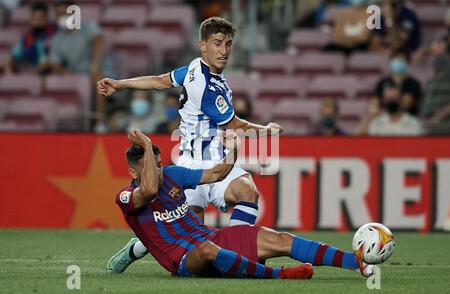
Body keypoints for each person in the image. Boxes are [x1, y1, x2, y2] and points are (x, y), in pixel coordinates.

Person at [106, 128, 376, 279]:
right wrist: (149, 142)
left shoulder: (174, 175)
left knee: (280, 239)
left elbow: (217, 174)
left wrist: (233, 148)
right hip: (185, 260)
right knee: (209, 250)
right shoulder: (127, 198)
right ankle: (279, 276)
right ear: (133, 173)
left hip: (213, 237)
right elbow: (150, 189)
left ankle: (356, 262)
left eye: (160, 163)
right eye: (152, 165)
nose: (160, 170)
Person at [97, 17, 284, 227]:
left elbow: (160, 81)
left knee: (248, 192)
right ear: (202, 45)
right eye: (217, 43)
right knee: (193, 237)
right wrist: (268, 130)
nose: (223, 50)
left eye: (228, 44)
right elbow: (237, 126)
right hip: (193, 166)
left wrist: (119, 84)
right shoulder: (205, 87)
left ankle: (238, 251)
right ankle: (137, 249)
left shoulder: (194, 68)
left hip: (220, 159)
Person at [50, 0, 115, 132]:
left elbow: (98, 42)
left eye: (65, 13)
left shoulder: (87, 27)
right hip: (78, 76)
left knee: (99, 80)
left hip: (100, 71)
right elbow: (54, 63)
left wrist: (94, 66)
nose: (62, 17)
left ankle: (100, 124)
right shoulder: (57, 39)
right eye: (59, 14)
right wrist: (63, 71)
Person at [4, 2, 57, 74]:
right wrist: (9, 70)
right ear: (31, 19)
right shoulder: (27, 38)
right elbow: (13, 57)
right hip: (32, 73)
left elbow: (54, 59)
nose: (37, 21)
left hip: (51, 73)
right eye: (35, 18)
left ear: (46, 19)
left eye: (40, 18)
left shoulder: (54, 35)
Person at [372, 50, 422, 116]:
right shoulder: (382, 82)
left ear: (408, 63)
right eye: (395, 59)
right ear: (391, 61)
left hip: (406, 118)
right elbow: (375, 102)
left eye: (401, 59)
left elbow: (406, 103)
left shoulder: (413, 83)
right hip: (384, 118)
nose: (398, 61)